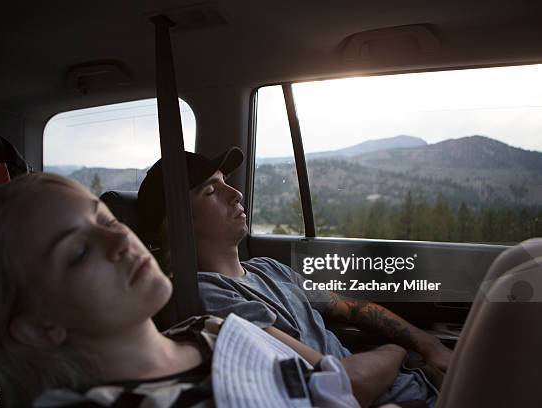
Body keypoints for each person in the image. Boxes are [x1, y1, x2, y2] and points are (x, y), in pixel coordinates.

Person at [0, 172, 405, 408]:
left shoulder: (217, 329)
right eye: (77, 253)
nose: (120, 239)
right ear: (39, 324)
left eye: (108, 220)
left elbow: (330, 387)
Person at [138, 147, 453, 407]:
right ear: (176, 224)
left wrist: (431, 345)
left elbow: (351, 309)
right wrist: (397, 353)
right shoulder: (209, 297)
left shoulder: (269, 269)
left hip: (418, 383)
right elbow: (343, 385)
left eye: (226, 182)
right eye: (211, 191)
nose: (236, 194)